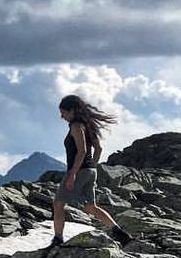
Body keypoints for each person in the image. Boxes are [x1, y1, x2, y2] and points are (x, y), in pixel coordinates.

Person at [52, 94, 132, 247]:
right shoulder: (88, 125)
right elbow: (99, 149)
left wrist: (73, 174)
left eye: (64, 112)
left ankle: (58, 239)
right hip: (90, 171)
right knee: (90, 207)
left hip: (79, 171)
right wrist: (91, 167)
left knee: (58, 203)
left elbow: (81, 151)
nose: (62, 116)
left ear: (73, 110)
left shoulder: (76, 126)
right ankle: (119, 232)